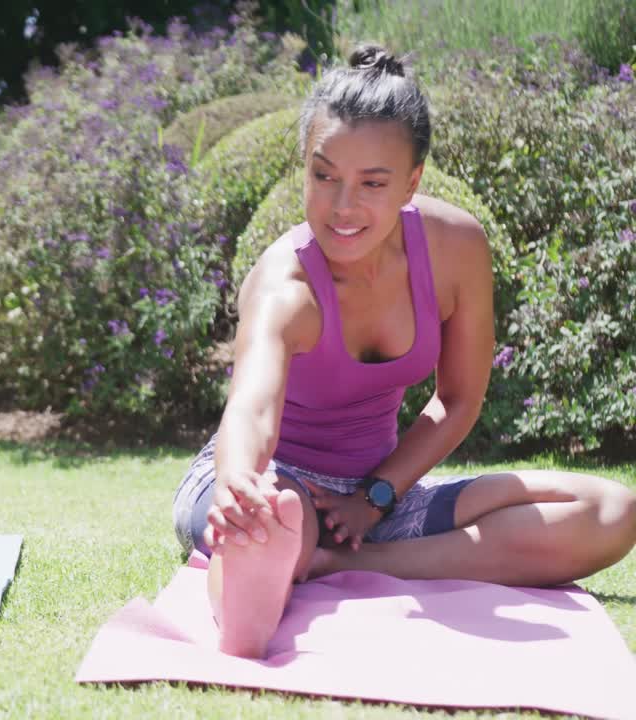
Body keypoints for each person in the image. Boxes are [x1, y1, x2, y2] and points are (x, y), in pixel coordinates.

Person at [172, 44, 636, 658]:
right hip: (267, 479)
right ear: (302, 168)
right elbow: (251, 409)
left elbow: (461, 397)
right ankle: (270, 560)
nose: (342, 206)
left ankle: (341, 564)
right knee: (277, 519)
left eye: (372, 183)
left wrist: (374, 499)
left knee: (611, 508)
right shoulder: (285, 283)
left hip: (382, 497)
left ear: (412, 181)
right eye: (323, 175)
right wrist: (240, 485)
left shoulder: (456, 249)